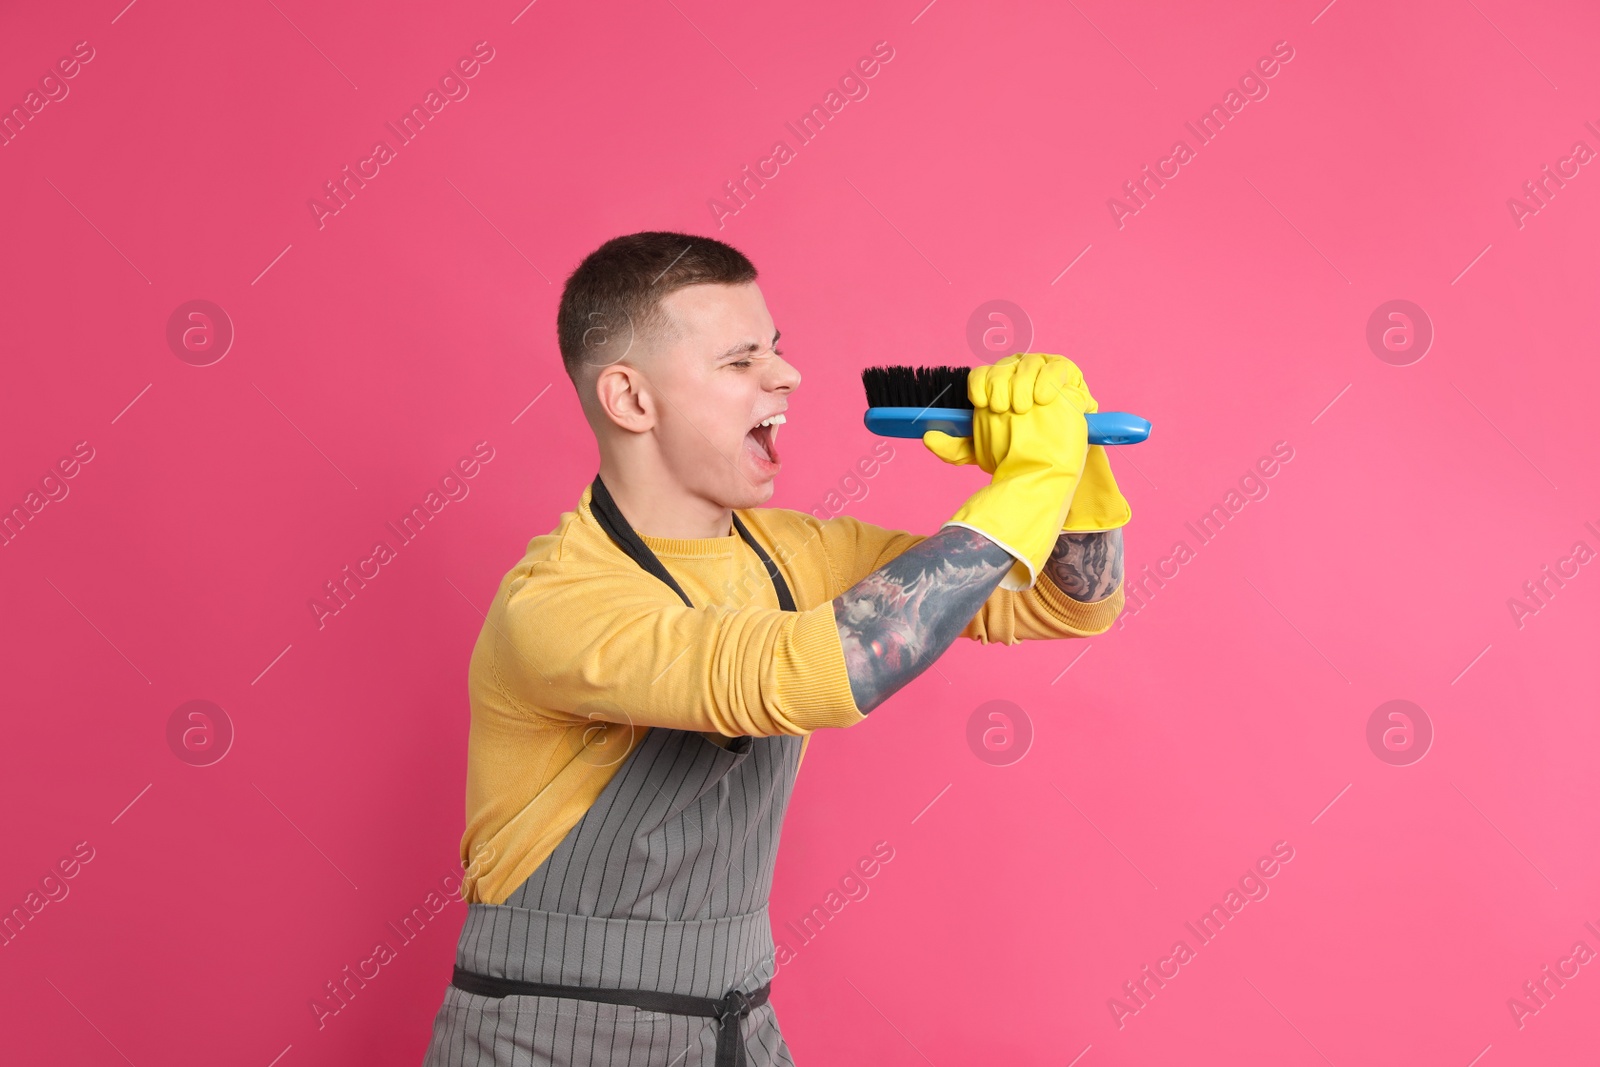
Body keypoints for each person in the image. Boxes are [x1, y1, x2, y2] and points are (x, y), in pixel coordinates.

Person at [421, 231, 1129, 1067]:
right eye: (740, 359)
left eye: (778, 349)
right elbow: (824, 669)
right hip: (548, 1040)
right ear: (631, 399)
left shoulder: (789, 552)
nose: (786, 376)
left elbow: (1065, 602)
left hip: (736, 1030)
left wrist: (1076, 468)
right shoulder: (557, 602)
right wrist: (1025, 486)